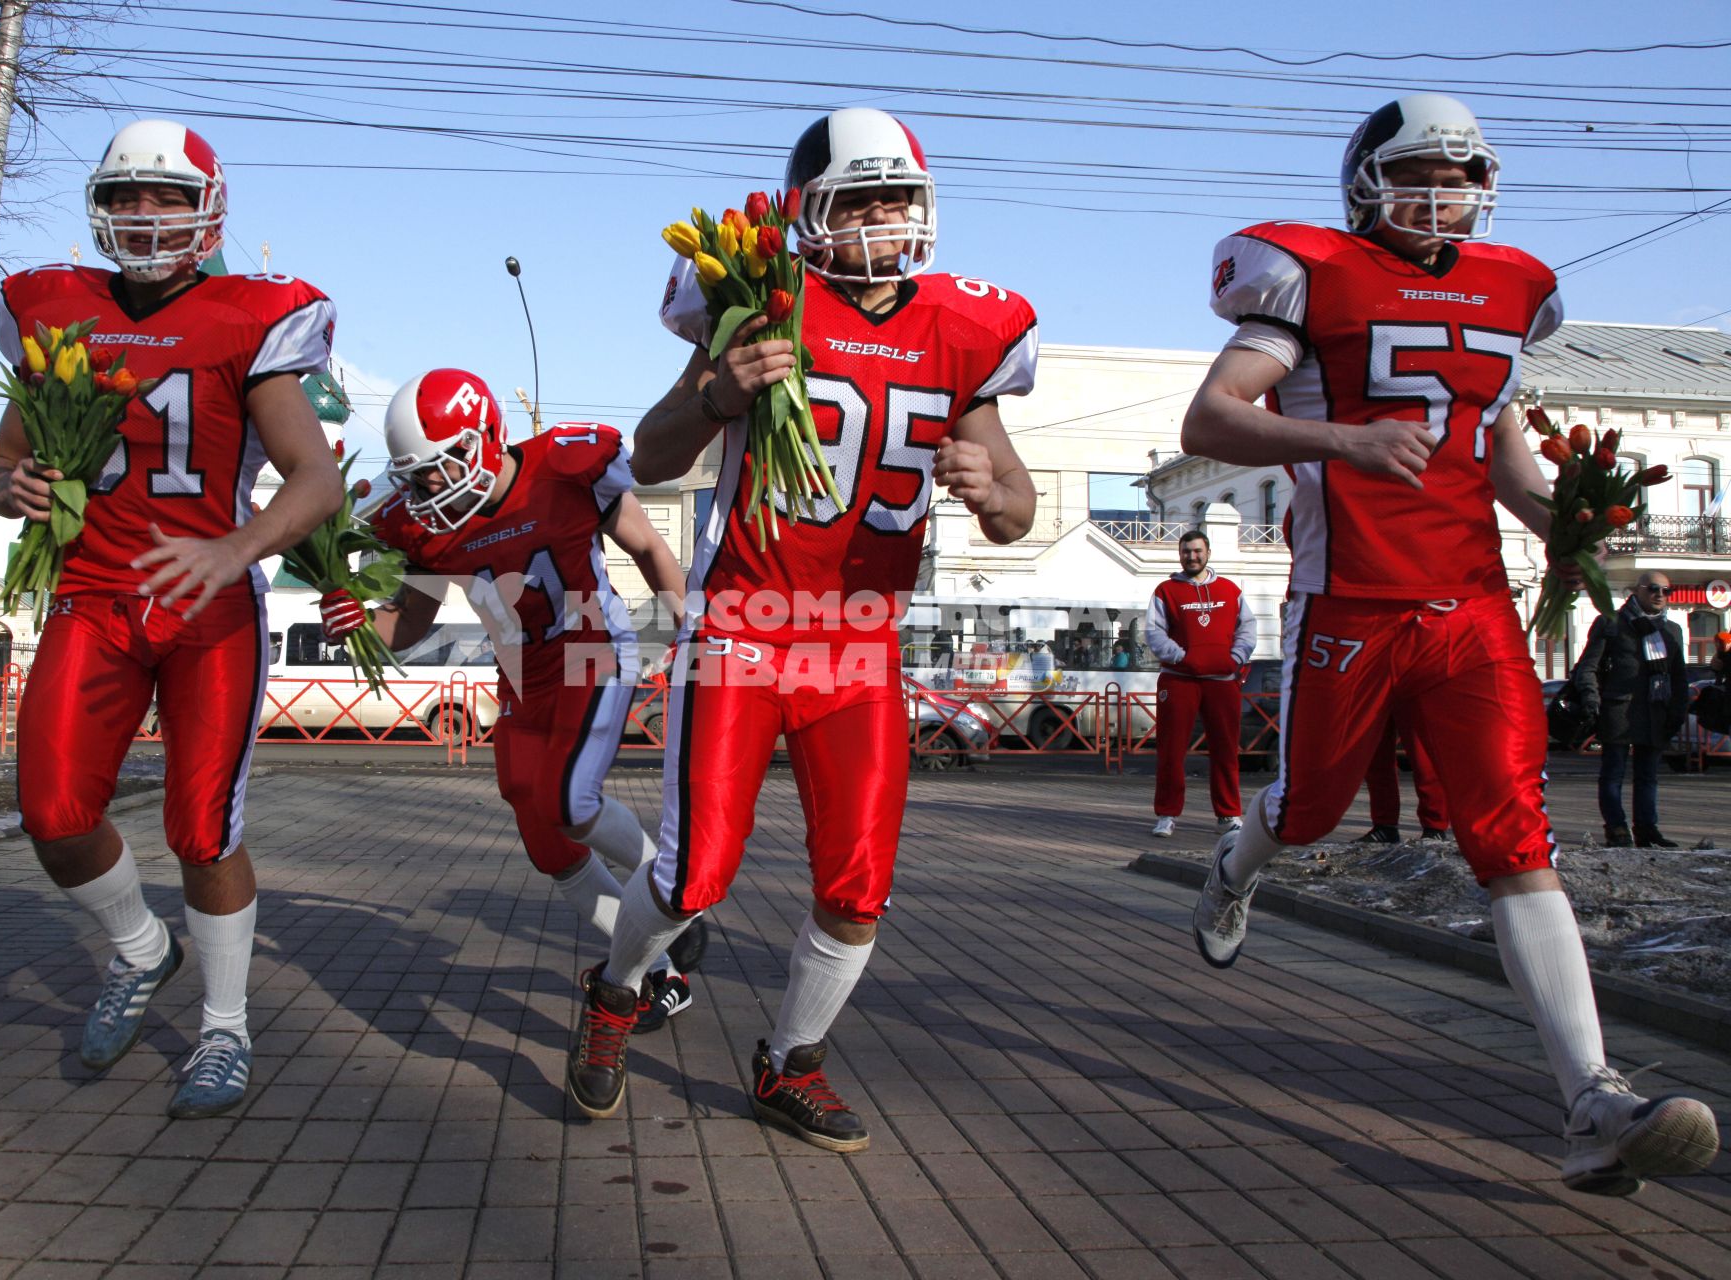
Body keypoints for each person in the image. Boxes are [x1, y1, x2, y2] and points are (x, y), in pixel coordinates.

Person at [1181, 93, 1718, 1195]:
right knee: (1315, 805)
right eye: (1420, 170)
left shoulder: (1509, 289)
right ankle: (1235, 864)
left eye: (1462, 175)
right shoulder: (1310, 275)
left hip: (1470, 601)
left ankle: (1591, 1102)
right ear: (1367, 177)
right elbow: (1212, 419)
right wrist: (1342, 436)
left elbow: (1508, 460)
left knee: (1514, 836)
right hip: (1352, 598)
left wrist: (1568, 532)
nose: (1443, 193)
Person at [563, 106, 1038, 1150]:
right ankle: (615, 989)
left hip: (860, 638)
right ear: (809, 212)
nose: (879, 218)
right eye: (858, 198)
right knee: (695, 874)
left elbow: (1017, 509)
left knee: (858, 884)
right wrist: (716, 393)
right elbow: (647, 454)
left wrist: (986, 487)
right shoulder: (758, 299)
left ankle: (789, 1060)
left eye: (895, 198)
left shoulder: (965, 325)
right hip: (744, 622)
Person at [0, 120, 342, 1118]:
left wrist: (233, 546)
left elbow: (315, 478)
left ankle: (225, 1026)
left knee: (201, 827)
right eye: (128, 194)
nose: (145, 214)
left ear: (207, 207)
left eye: (166, 195)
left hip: (206, 604)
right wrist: (8, 482)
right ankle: (141, 946)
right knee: (51, 814)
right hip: (93, 596)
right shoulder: (57, 309)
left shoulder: (246, 318)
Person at [325, 370, 704, 1028]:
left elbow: (645, 544)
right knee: (546, 842)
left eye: (441, 469)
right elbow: (411, 621)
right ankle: (659, 967)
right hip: (522, 678)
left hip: (592, 653)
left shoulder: (566, 467)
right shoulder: (424, 525)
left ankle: (672, 889)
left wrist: (691, 629)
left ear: (483, 440)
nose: (430, 489)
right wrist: (361, 622)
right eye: (418, 475)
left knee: (569, 801)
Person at [1146, 529, 1257, 837]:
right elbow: (1154, 633)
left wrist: (1234, 658)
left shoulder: (1230, 590)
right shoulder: (1165, 591)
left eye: (1197, 551)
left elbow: (1247, 627)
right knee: (1171, 749)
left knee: (1225, 749)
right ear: (1179, 555)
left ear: (1208, 553)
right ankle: (1166, 815)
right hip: (1179, 679)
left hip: (1222, 681)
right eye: (1186, 552)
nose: (1191, 557)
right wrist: (1183, 658)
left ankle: (1229, 814)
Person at [1572, 572, 1690, 848]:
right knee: (1613, 773)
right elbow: (1588, 667)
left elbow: (1679, 677)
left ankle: (1647, 829)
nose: (1659, 595)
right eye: (1653, 589)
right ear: (1636, 591)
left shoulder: (1671, 630)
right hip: (1617, 711)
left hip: (1655, 713)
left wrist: (1678, 711)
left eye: (1665, 590)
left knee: (1648, 775)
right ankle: (1616, 828)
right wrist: (1592, 700)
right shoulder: (1611, 623)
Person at [1358, 713, 1449, 844]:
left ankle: (1434, 828)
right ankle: (1384, 827)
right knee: (1376, 755)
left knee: (1423, 755)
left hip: (1412, 694)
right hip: (1373, 694)